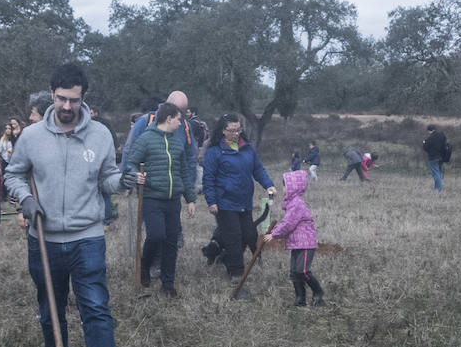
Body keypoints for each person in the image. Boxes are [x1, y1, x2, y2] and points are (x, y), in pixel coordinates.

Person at [3, 63, 130, 347]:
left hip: (87, 237)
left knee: (96, 306)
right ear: (52, 95)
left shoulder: (101, 135)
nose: (67, 107)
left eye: (74, 100)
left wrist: (123, 181)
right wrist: (26, 199)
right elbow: (12, 175)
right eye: (61, 99)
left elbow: (107, 178)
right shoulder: (30, 138)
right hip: (43, 239)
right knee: (50, 306)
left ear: (83, 98)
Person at [124, 101, 197, 298]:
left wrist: (191, 199)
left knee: (171, 242)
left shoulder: (176, 142)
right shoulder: (146, 139)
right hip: (151, 198)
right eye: (179, 120)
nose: (181, 124)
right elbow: (130, 164)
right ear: (169, 118)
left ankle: (168, 284)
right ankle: (145, 266)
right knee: (156, 235)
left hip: (173, 200)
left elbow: (183, 172)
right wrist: (134, 176)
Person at [203, 114, 275, 299]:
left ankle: (229, 258)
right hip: (224, 202)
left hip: (244, 201)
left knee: (248, 234)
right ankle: (236, 272)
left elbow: (257, 169)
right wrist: (211, 201)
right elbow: (208, 178)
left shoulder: (247, 149)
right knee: (233, 236)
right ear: (222, 131)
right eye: (232, 130)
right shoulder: (214, 152)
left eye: (238, 129)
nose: (236, 133)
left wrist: (268, 184)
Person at [263, 169, 324, 306]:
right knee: (294, 273)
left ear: (293, 187)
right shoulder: (292, 203)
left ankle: (318, 292)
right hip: (297, 244)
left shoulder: (297, 204)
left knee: (302, 271)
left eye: (285, 185)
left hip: (306, 244)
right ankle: (300, 300)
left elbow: (288, 224)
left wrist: (274, 234)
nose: (283, 188)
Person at [423, 124, 448, 192]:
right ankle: (437, 188)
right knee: (439, 173)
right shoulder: (442, 136)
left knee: (436, 173)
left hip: (433, 158)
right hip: (441, 157)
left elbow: (425, 148)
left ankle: (438, 189)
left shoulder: (430, 138)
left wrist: (424, 142)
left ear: (429, 130)